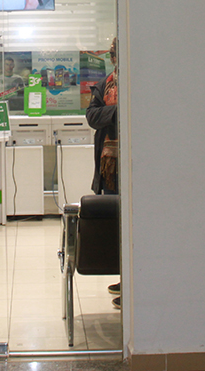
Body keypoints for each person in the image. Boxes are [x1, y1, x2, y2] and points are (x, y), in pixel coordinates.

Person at [86, 38, 120, 306]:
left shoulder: (144, 82)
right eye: (114, 55)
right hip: (111, 168)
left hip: (140, 165)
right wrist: (118, 112)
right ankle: (125, 276)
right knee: (116, 225)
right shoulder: (103, 85)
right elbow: (92, 117)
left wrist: (108, 112)